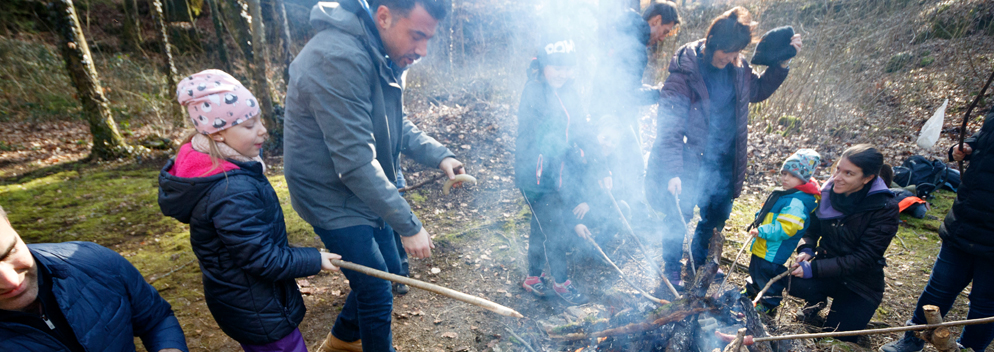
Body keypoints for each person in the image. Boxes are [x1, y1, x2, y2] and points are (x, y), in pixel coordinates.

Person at [283, 0, 462, 350]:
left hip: (361, 185)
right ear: (383, 16)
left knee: (386, 270)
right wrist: (408, 225)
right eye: (417, 35)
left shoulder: (377, 51)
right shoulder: (337, 58)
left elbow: (391, 124)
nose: (422, 50)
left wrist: (440, 155)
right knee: (376, 288)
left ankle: (343, 340)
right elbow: (355, 161)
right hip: (329, 195)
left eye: (428, 39)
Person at [158, 69, 342, 352]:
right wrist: (313, 260)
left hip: (247, 301)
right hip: (257, 307)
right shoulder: (231, 190)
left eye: (259, 120)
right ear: (218, 133)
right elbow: (261, 258)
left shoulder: (227, 173)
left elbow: (253, 244)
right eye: (248, 125)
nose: (263, 130)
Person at [645, 6, 801, 285]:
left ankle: (699, 263)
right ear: (711, 42)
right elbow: (670, 129)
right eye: (726, 52)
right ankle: (671, 268)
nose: (729, 58)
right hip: (688, 159)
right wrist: (673, 172)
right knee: (678, 216)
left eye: (735, 53)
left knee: (716, 216)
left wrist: (781, 64)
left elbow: (757, 91)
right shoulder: (685, 71)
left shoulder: (738, 68)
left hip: (724, 158)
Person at [880, 108, 994, 352]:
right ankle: (913, 339)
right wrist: (967, 146)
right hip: (965, 221)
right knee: (939, 287)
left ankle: (970, 349)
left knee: (985, 304)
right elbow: (985, 137)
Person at [0, 205, 189, 352]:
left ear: (9, 225)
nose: (12, 281)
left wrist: (170, 347)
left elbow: (155, 318)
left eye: (9, 252)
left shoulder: (94, 261)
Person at [515, 35, 605, 306]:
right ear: (542, 65)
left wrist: (600, 164)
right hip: (535, 177)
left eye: (567, 68)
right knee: (555, 229)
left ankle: (533, 276)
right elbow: (540, 137)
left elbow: (582, 129)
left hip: (558, 176)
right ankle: (561, 282)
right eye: (556, 67)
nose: (562, 74)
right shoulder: (533, 92)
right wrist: (569, 151)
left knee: (540, 226)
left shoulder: (569, 92)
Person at [786, 144, 899, 342]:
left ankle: (845, 313)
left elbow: (864, 258)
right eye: (838, 169)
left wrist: (814, 269)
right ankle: (816, 301)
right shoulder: (828, 192)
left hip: (859, 283)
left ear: (867, 178)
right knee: (790, 281)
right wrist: (806, 248)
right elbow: (811, 229)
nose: (837, 177)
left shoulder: (884, 207)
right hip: (828, 270)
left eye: (848, 173)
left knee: (836, 338)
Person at [592, 1, 680, 223]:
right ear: (656, 20)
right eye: (665, 31)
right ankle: (633, 220)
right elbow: (627, 93)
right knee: (632, 165)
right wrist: (659, 93)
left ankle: (622, 216)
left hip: (604, 109)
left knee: (617, 165)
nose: (663, 37)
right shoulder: (634, 47)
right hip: (615, 114)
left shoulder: (624, 35)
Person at [745, 149, 821, 315]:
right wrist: (759, 218)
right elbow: (768, 212)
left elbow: (786, 228)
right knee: (755, 270)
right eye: (784, 173)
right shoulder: (785, 194)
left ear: (803, 179)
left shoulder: (796, 202)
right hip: (763, 245)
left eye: (792, 175)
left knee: (767, 274)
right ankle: (751, 293)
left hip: (773, 249)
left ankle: (769, 303)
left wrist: (762, 230)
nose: (785, 178)